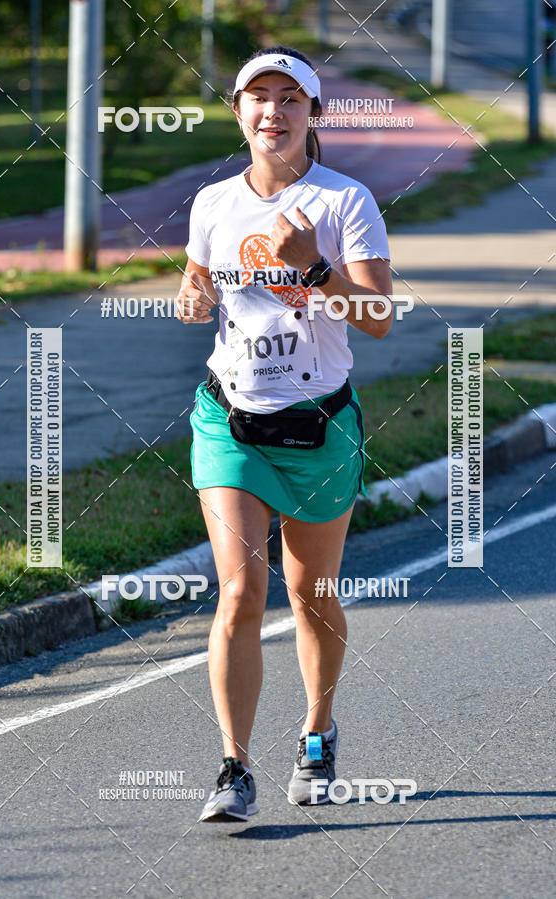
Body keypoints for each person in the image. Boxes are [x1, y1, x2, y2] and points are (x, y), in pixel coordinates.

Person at [176, 45, 393, 822]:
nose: (274, 111)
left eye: (290, 98)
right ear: (238, 111)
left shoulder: (346, 201)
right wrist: (191, 298)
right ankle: (233, 766)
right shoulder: (211, 204)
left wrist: (314, 269)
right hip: (229, 419)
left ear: (314, 115)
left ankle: (317, 730)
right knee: (240, 589)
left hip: (320, 426)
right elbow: (196, 287)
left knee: (312, 592)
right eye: (258, 97)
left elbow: (377, 318)